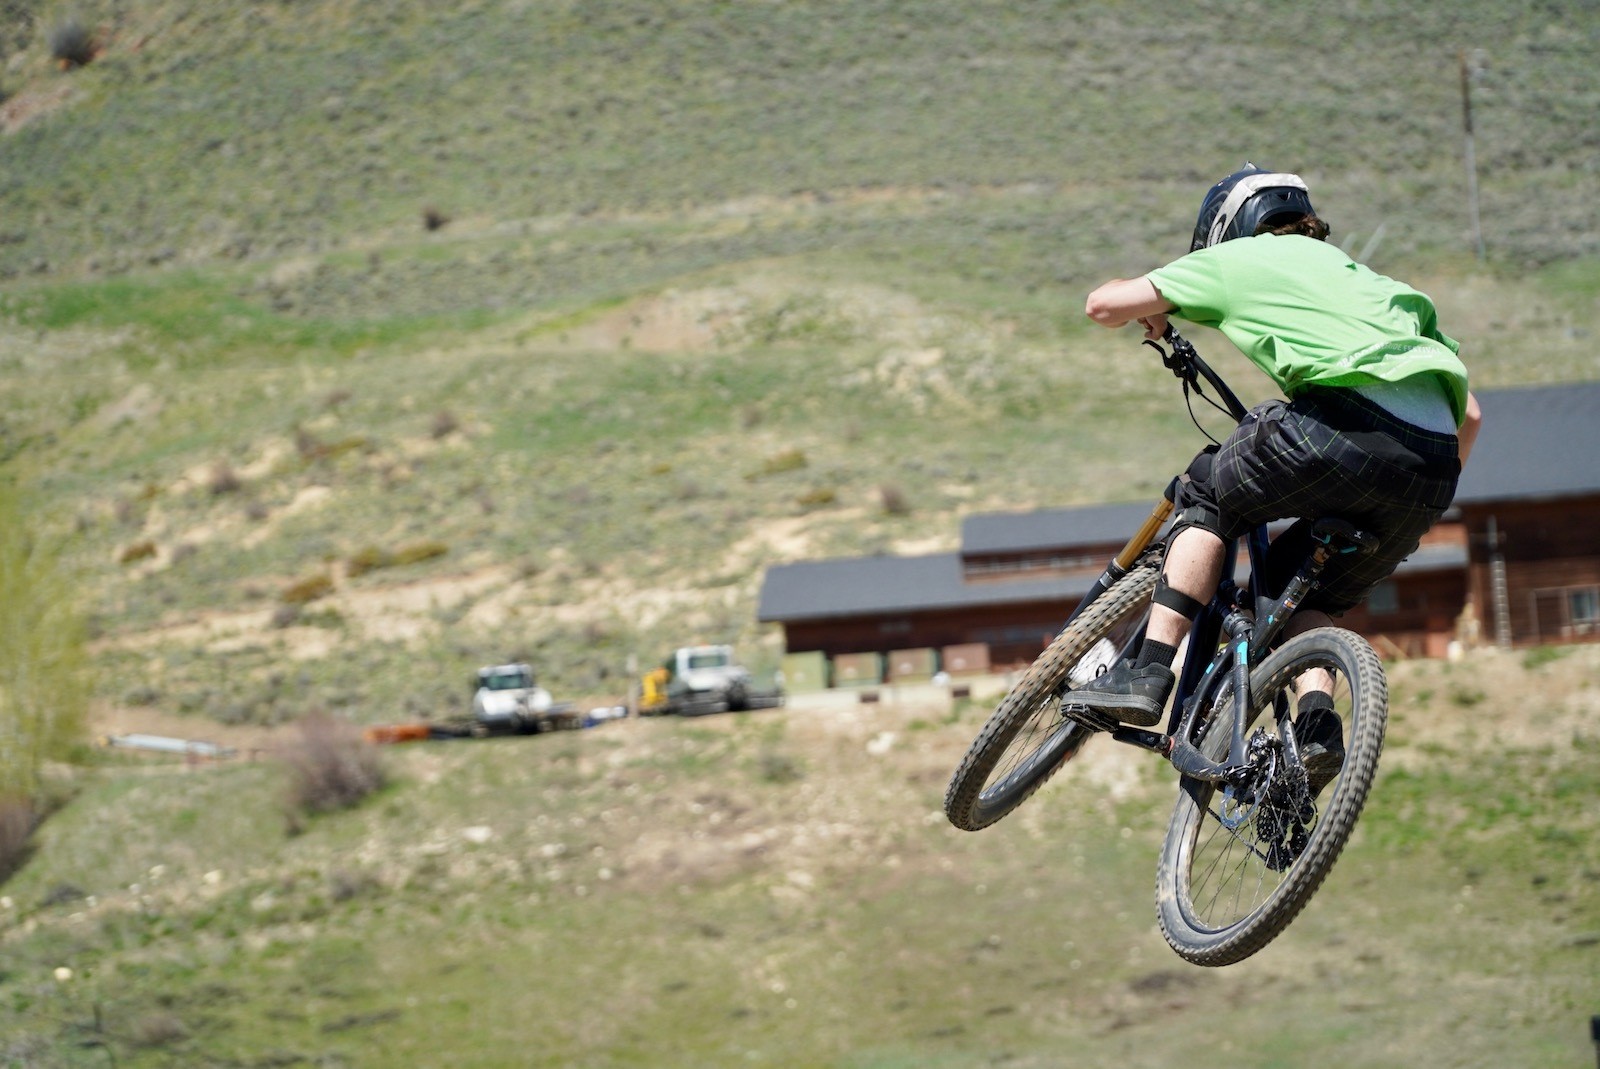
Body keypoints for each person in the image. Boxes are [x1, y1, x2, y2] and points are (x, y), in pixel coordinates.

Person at [1073, 164, 1483, 794]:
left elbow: (1103, 304)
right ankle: (1319, 727)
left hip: (1339, 425)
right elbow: (1472, 415)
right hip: (1430, 471)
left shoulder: (1239, 260)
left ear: (1226, 229)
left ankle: (1147, 672)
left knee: (1208, 493)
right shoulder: (1369, 279)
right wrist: (1407, 478)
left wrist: (1159, 307)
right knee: (1306, 592)